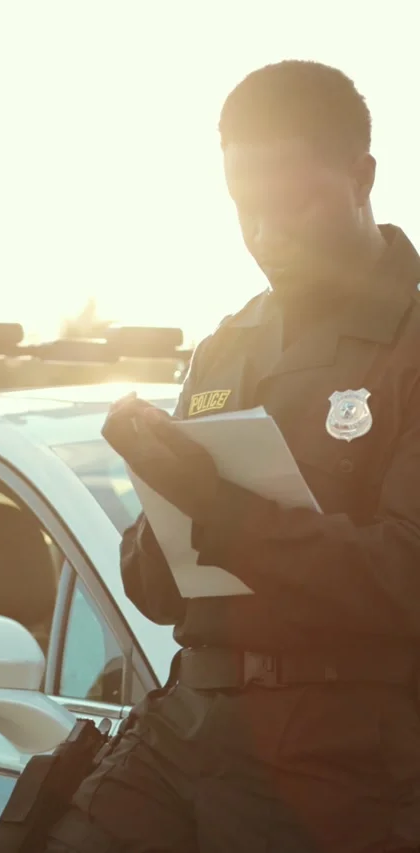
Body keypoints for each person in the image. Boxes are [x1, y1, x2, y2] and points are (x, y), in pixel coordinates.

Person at [46, 61, 420, 852]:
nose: (266, 237)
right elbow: (157, 595)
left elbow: (406, 575)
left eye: (292, 204)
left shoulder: (410, 342)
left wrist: (220, 514)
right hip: (186, 719)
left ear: (362, 178)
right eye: (245, 210)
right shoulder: (227, 343)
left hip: (333, 756)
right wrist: (156, 496)